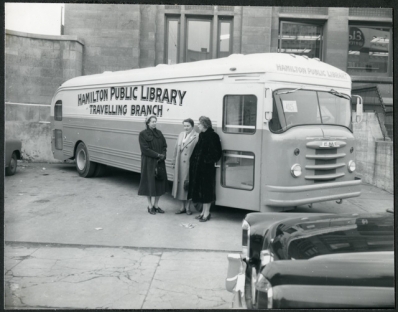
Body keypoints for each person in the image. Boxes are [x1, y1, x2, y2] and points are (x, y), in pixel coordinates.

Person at [188, 116, 222, 222]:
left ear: (205, 125)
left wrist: (206, 161)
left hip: (207, 169)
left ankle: (207, 213)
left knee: (206, 191)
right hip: (199, 169)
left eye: (199, 124)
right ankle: (203, 212)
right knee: (201, 191)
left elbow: (217, 153)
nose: (198, 125)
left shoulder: (213, 136)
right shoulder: (202, 135)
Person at [138, 115, 168, 215]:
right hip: (148, 162)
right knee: (149, 183)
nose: (154, 123)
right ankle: (150, 206)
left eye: (155, 121)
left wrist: (163, 155)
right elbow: (145, 149)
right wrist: (158, 155)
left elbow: (164, 145)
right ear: (148, 123)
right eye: (152, 122)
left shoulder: (159, 133)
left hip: (159, 162)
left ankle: (156, 205)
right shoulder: (142, 134)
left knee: (159, 184)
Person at [171, 118, 199, 215]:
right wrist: (174, 160)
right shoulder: (181, 134)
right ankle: (182, 207)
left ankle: (188, 208)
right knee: (179, 186)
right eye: (184, 126)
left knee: (187, 186)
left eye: (188, 126)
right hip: (179, 164)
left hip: (189, 165)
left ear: (192, 126)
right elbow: (176, 148)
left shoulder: (197, 136)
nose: (186, 128)